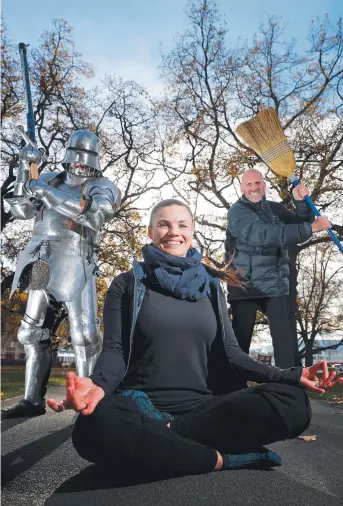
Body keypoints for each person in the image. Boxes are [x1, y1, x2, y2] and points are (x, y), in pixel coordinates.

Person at [48, 199, 342, 477]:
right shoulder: (127, 284)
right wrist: (97, 386)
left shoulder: (212, 285)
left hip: (206, 410)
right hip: (140, 406)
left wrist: (291, 375)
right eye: (163, 225)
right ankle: (221, 459)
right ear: (151, 232)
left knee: (293, 402)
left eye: (182, 225)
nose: (173, 232)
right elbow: (115, 350)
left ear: (191, 232)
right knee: (91, 429)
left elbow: (232, 354)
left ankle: (165, 437)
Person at [2, 130, 121, 419]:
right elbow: (20, 209)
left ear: (95, 161)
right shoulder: (50, 179)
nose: (81, 165)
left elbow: (95, 215)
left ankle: (90, 406)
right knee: (30, 332)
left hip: (77, 261)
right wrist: (24, 165)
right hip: (41, 260)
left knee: (85, 337)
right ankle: (31, 401)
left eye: (87, 159)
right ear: (68, 156)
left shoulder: (101, 185)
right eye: (77, 158)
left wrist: (45, 192)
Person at [225, 169, 332, 369]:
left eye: (258, 183)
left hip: (275, 286)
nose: (254, 188)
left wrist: (300, 201)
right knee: (239, 344)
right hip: (244, 287)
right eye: (249, 184)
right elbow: (264, 235)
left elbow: (300, 224)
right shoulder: (237, 212)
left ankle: (290, 390)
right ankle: (232, 390)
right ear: (241, 188)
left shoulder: (274, 209)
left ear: (264, 185)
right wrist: (312, 228)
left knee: (286, 342)